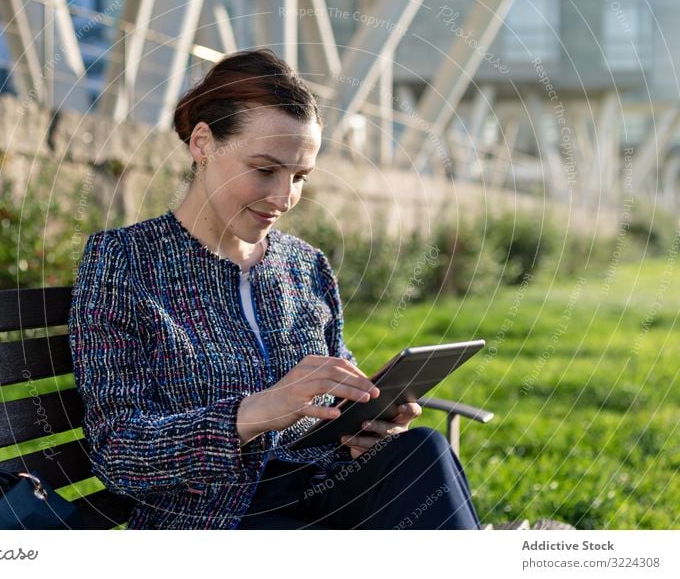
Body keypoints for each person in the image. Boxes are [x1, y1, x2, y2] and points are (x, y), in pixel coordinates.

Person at [68, 48, 481, 530]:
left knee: (420, 451)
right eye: (265, 170)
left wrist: (359, 428)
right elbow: (119, 455)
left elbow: (329, 403)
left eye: (299, 177)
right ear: (203, 143)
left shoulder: (306, 266)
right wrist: (253, 413)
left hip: (319, 494)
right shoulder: (126, 261)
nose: (284, 198)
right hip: (215, 521)